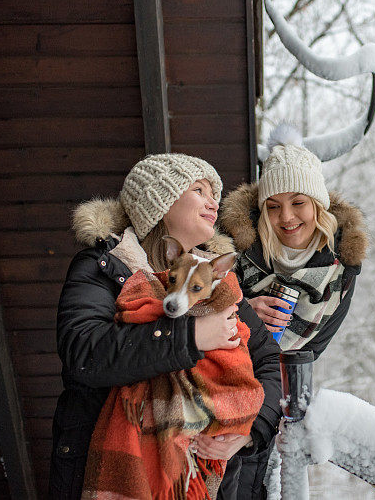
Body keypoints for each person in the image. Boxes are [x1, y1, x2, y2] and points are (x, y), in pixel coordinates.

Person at [50, 154, 282, 500]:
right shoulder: (103, 269)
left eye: (214, 193)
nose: (213, 201)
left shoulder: (216, 284)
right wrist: (191, 337)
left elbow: (266, 361)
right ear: (159, 202)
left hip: (206, 480)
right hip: (115, 472)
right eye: (199, 189)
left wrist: (249, 432)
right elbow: (83, 352)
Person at [218, 125, 368, 499]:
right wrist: (243, 311)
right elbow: (197, 309)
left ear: (317, 204)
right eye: (273, 206)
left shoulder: (341, 270)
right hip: (217, 399)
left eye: (298, 202)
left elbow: (311, 351)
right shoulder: (233, 248)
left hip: (269, 413)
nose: (286, 217)